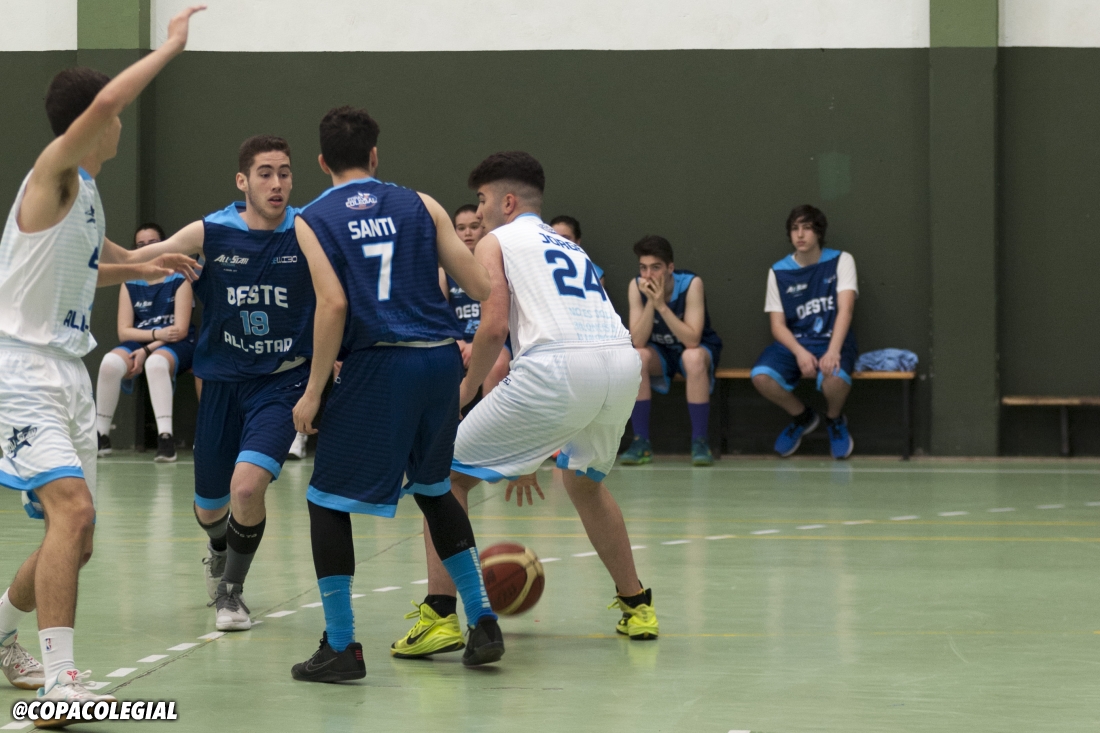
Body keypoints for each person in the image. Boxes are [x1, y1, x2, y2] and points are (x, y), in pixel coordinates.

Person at [0, 5, 204, 715]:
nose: (118, 121)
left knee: (77, 536)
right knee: (74, 508)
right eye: (111, 114)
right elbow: (110, 98)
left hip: (67, 372)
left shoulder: (84, 192)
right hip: (21, 372)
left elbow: (94, 258)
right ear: (97, 119)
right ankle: (62, 681)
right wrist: (171, 47)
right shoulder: (52, 170)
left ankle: (0, 630)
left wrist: (143, 265)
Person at [393, 151, 658, 663]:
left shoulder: (496, 240)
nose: (479, 212)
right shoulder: (569, 245)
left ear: (508, 201)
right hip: (621, 366)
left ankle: (440, 615)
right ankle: (637, 605)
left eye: (482, 200)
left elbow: (493, 327)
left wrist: (465, 390)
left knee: (439, 474)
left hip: (559, 369)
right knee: (584, 483)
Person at [290, 106, 499, 683]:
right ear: (375, 155)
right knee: (433, 489)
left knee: (326, 501)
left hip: (380, 363)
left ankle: (340, 646)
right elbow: (481, 286)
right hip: (439, 360)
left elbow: (333, 304)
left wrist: (313, 391)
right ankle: (483, 620)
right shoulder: (422, 204)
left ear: (322, 161)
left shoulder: (312, 217)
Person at [132, 134, 314, 631]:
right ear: (242, 181)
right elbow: (143, 260)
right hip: (221, 384)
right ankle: (218, 548)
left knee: (247, 489)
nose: (277, 183)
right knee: (210, 509)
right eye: (265, 173)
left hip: (280, 382)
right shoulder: (211, 231)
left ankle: (231, 594)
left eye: (284, 173)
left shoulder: (307, 231)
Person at [750, 205, 857, 459]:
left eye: (807, 228)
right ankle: (803, 416)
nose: (800, 234)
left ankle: (834, 419)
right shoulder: (778, 271)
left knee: (834, 379)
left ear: (818, 232)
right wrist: (799, 352)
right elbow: (777, 325)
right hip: (795, 344)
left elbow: (846, 310)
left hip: (832, 341)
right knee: (761, 377)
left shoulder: (842, 260)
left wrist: (833, 351)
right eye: (795, 228)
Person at [95, 222, 196, 462]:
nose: (147, 248)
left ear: (164, 244)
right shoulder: (130, 281)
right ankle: (100, 435)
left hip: (177, 343)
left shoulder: (180, 277)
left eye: (153, 243)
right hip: (148, 339)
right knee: (109, 363)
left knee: (155, 363)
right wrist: (153, 337)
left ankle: (165, 438)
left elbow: (179, 330)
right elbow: (124, 332)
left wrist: (148, 349)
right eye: (140, 245)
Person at [621, 236, 723, 466]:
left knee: (693, 357)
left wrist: (661, 306)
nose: (648, 275)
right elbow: (638, 340)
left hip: (694, 349)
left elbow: (692, 340)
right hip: (661, 353)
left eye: (655, 268)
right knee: (636, 357)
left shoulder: (691, 284)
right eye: (643, 268)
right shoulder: (636, 286)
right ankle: (641, 443)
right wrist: (651, 302)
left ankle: (700, 442)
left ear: (670, 268)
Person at [439, 204, 510, 395]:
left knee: (498, 365)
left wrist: (477, 347)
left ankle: (489, 416)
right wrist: (457, 340)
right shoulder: (443, 271)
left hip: (494, 340)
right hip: (457, 340)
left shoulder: (499, 265)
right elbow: (438, 313)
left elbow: (504, 318)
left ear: (484, 228)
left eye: (474, 226)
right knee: (439, 363)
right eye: (461, 228)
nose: (468, 233)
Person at [549, 214, 604, 288]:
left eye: (565, 238)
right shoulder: (537, 265)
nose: (559, 242)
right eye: (554, 238)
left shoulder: (593, 272)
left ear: (577, 242)